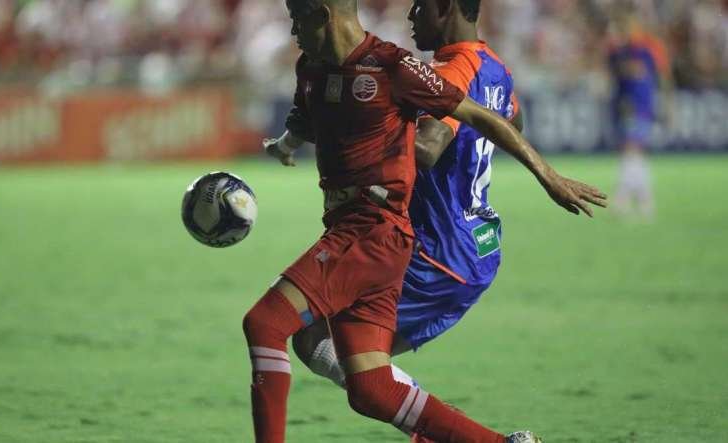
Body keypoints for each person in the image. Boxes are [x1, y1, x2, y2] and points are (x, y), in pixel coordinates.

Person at [249, 0, 605, 442]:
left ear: (447, 8)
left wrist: (375, 122)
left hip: (431, 245)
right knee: (369, 384)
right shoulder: (495, 67)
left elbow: (428, 146)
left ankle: (434, 435)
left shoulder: (448, 68)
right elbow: (512, 116)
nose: (411, 16)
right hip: (474, 246)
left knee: (298, 335)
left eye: (420, 7)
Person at [607, 4, 672, 220]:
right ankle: (644, 200)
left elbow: (663, 77)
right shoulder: (619, 50)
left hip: (640, 106)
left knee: (631, 150)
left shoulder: (649, 48)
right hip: (626, 106)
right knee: (634, 153)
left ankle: (624, 198)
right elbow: (617, 79)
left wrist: (667, 104)